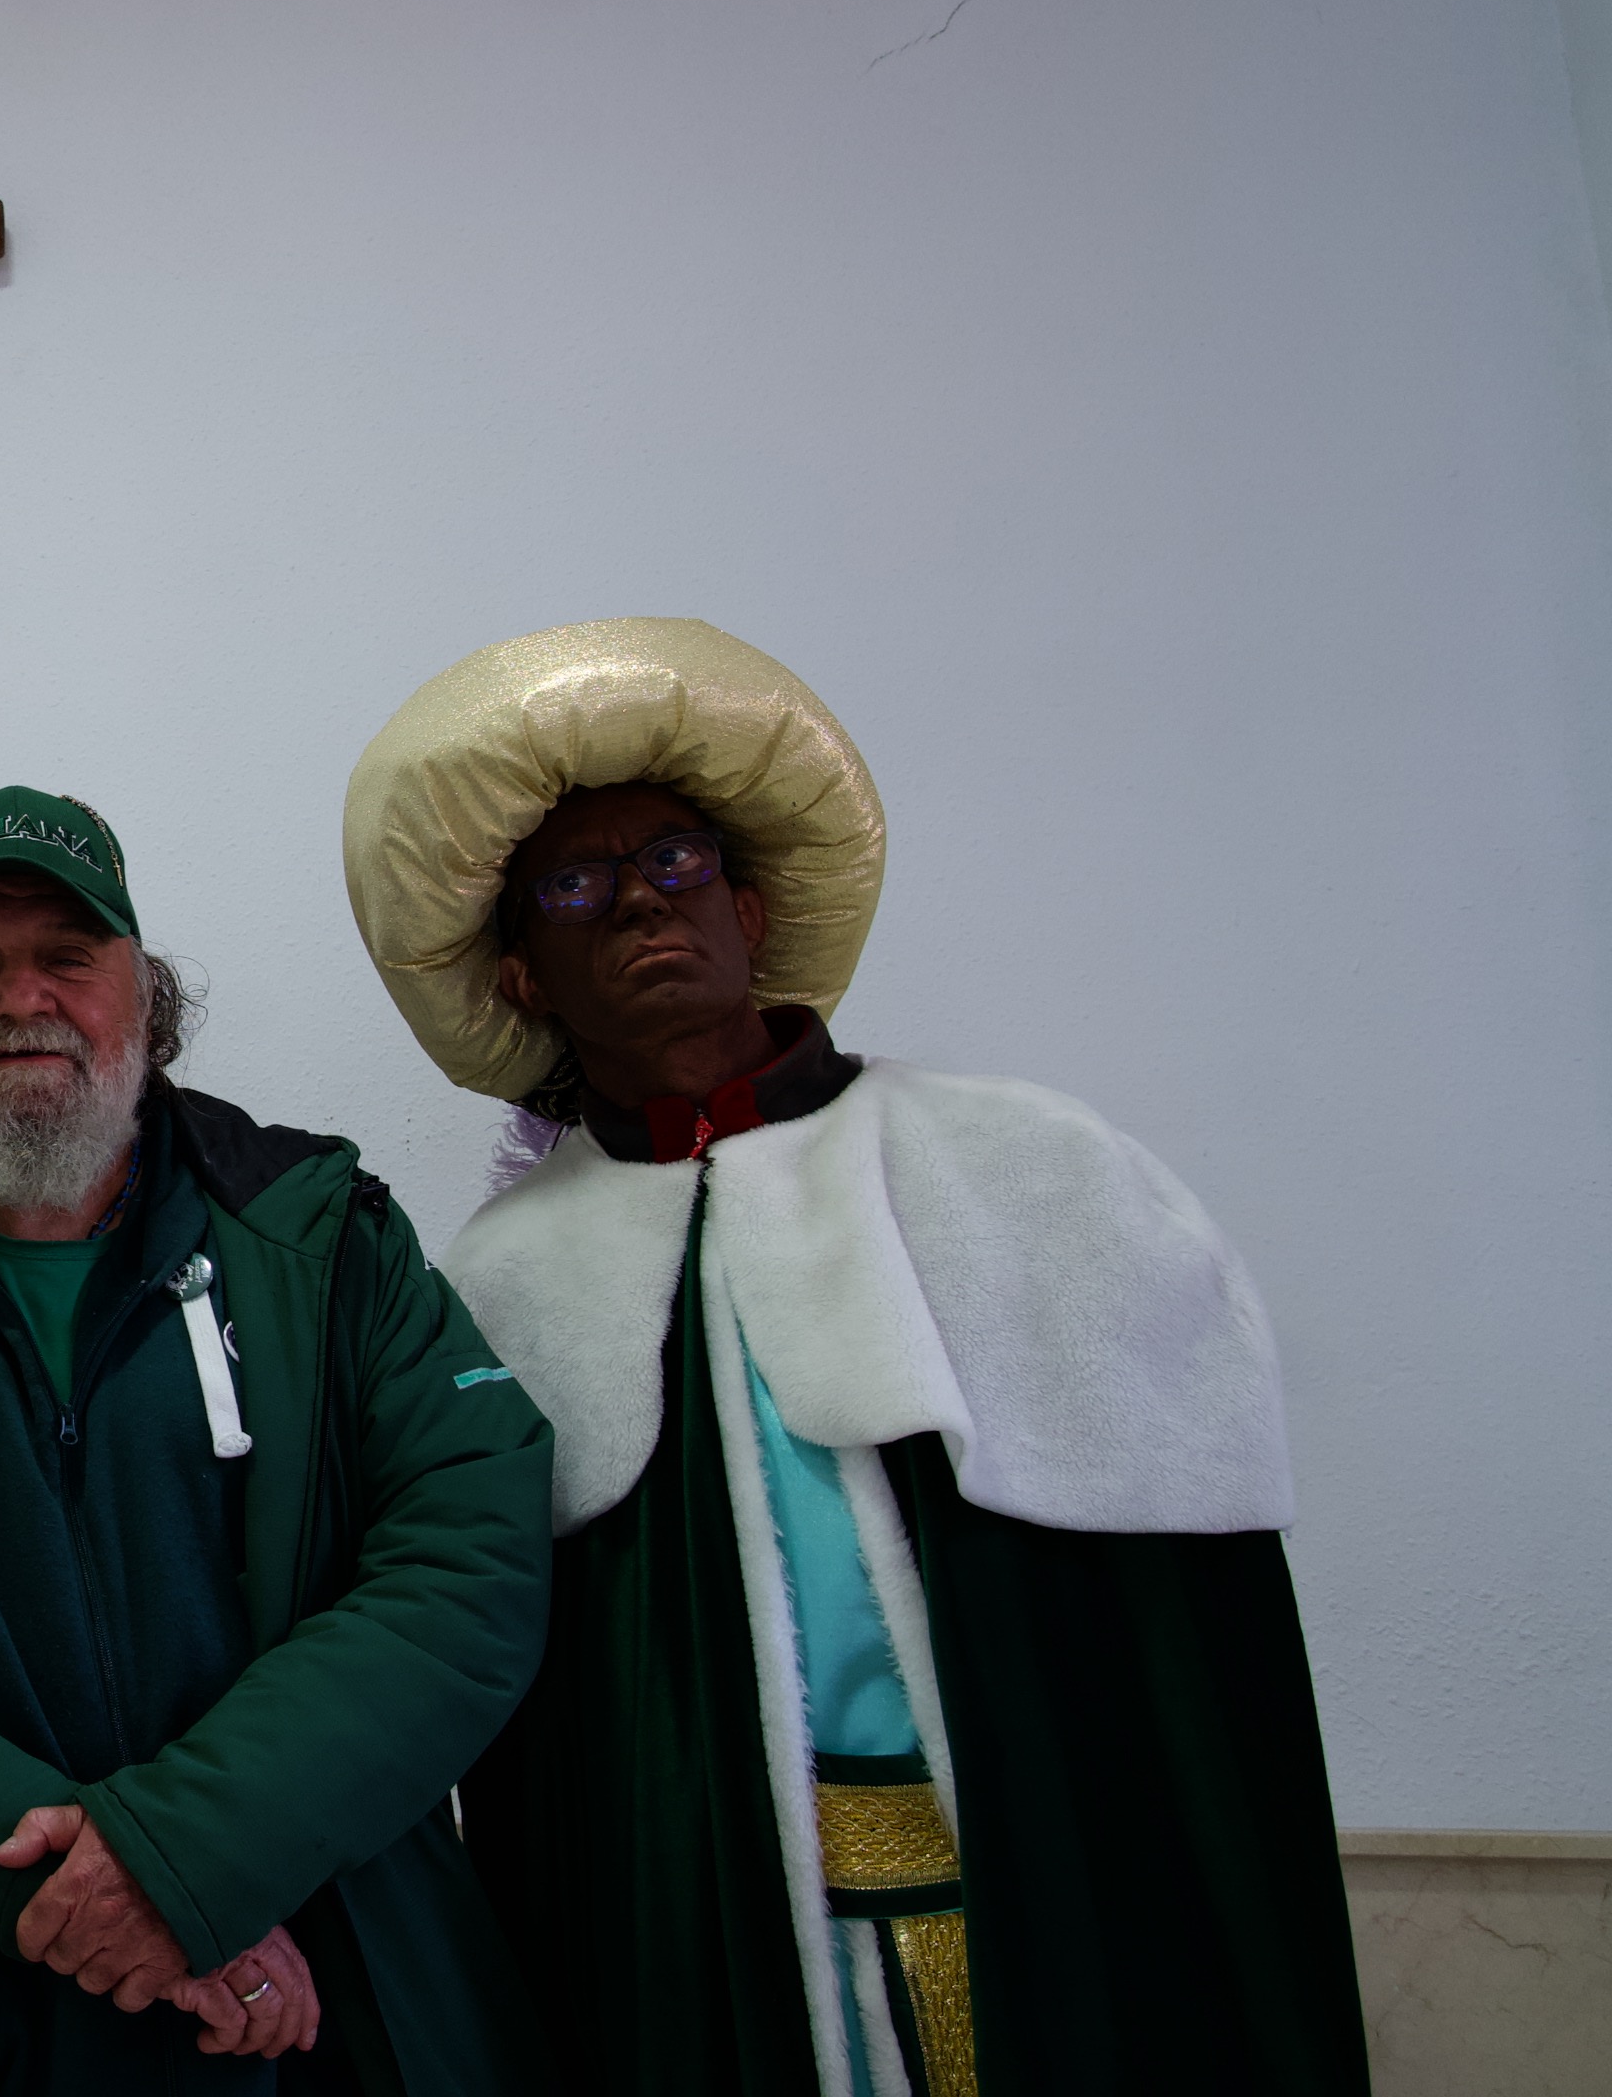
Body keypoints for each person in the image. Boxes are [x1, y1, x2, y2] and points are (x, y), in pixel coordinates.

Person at [339, 617, 1367, 2094]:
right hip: (706, 1931)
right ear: (520, 979)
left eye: (679, 863)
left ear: (752, 910)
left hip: (1042, 1878)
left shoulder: (1032, 1169)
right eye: (577, 885)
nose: (642, 904)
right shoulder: (497, 1288)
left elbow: (1188, 1669)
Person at [0, 787, 556, 2094]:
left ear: (147, 999)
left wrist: (185, 1861)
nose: (22, 995)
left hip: (319, 1996)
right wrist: (88, 1896)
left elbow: (471, 1556)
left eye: (67, 956)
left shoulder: (318, 1241)